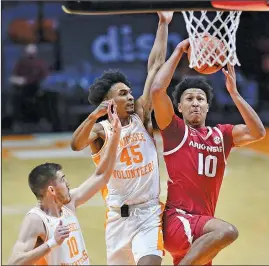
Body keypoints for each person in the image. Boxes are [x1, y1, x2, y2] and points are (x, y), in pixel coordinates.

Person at [150, 39, 266, 265]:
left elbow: (258, 132)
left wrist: (234, 94)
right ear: (179, 108)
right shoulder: (175, 130)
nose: (195, 103)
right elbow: (156, 90)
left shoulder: (222, 135)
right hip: (179, 220)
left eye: (200, 99)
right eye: (189, 99)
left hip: (203, 229)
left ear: (207, 107)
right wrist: (178, 51)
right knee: (228, 231)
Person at [70, 12, 174, 265]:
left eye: (130, 92)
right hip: (117, 218)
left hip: (149, 213)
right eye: (123, 93)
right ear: (109, 101)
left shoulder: (140, 114)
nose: (130, 97)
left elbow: (155, 67)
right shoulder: (101, 130)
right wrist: (95, 115)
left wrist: (163, 24)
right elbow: (76, 144)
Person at [8, 101, 121, 265]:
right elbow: (14, 262)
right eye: (62, 180)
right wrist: (52, 243)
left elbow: (102, 175)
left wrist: (115, 136)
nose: (67, 183)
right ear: (51, 190)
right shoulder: (36, 220)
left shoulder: (69, 203)